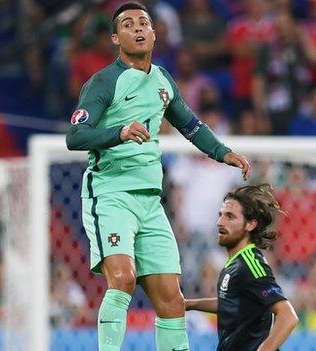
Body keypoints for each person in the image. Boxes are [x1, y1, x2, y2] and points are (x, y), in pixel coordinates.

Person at [65, 2, 250, 350]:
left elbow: (191, 125)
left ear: (153, 33)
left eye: (144, 22)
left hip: (151, 202)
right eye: (128, 24)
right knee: (122, 278)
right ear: (115, 38)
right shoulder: (104, 82)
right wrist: (117, 132)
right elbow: (75, 136)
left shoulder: (163, 79)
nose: (137, 28)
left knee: (171, 299)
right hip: (111, 192)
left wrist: (222, 152)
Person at [185, 185, 299, 350]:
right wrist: (189, 304)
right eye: (220, 215)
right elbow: (233, 302)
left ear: (250, 225)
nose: (220, 222)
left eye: (229, 217)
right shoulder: (235, 262)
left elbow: (288, 316)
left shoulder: (251, 264)